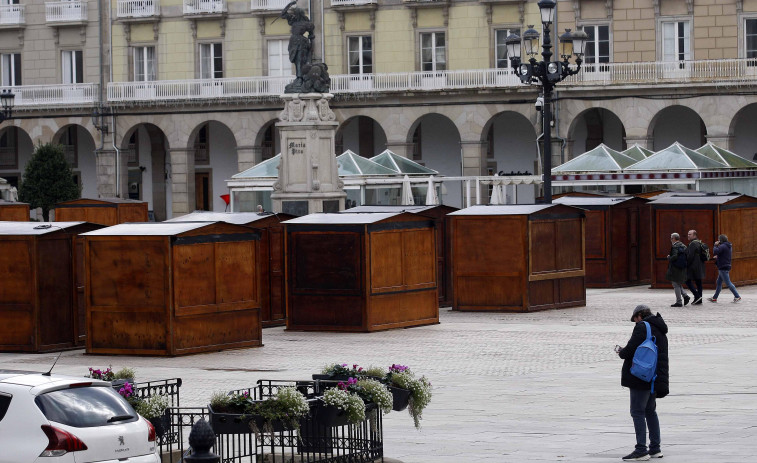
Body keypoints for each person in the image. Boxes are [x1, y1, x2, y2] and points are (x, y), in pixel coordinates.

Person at [616, 304, 669, 461]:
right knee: (650, 411)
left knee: (637, 411)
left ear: (639, 316)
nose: (635, 322)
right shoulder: (660, 328)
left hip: (641, 376)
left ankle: (641, 450)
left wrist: (621, 351)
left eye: (635, 319)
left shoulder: (642, 327)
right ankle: (655, 448)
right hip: (654, 377)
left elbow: (629, 350)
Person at [708, 234, 741, 303]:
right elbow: (724, 254)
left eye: (719, 239)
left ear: (721, 240)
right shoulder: (728, 246)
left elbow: (715, 252)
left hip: (723, 266)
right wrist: (718, 257)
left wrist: (715, 245)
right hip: (726, 265)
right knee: (719, 282)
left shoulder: (723, 246)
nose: (718, 241)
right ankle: (714, 298)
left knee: (728, 283)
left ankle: (737, 296)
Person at [665, 233, 690, 307]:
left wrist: (669, 257)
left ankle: (679, 302)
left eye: (671, 238)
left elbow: (675, 256)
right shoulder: (683, 245)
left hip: (675, 267)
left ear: (674, 238)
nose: (670, 240)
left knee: (675, 284)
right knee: (678, 283)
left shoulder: (675, 246)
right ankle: (685, 296)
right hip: (682, 267)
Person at [684, 229, 706, 305]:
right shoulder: (699, 242)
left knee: (687, 280)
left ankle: (697, 296)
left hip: (693, 266)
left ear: (694, 235)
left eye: (690, 234)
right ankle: (699, 299)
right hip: (700, 266)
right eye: (688, 234)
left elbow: (690, 256)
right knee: (699, 283)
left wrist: (686, 264)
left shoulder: (693, 244)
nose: (688, 235)